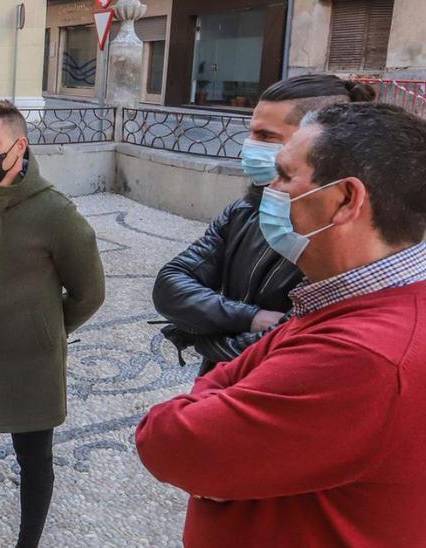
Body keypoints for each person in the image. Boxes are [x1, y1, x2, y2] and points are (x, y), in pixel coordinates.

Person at [136, 102, 426, 546]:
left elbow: (168, 442)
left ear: (346, 199)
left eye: (286, 176)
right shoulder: (349, 299)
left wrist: (214, 393)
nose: (269, 187)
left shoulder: (365, 354)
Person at [0, 100, 105, 548]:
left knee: (35, 461)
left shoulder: (57, 213)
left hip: (30, 367)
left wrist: (44, 329)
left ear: (20, 147)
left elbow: (89, 292)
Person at [153, 74, 375, 375]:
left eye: (267, 136)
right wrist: (251, 317)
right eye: (252, 133)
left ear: (318, 140)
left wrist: (200, 334)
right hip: (216, 387)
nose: (249, 147)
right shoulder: (246, 210)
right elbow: (171, 283)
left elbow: (280, 346)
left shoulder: (344, 240)